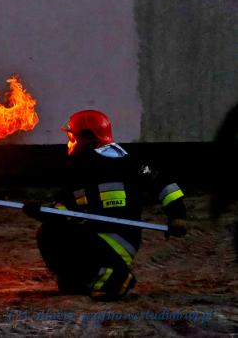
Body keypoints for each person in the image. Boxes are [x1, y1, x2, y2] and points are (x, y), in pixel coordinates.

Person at [23, 110, 187, 300]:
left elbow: (164, 185)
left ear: (87, 137)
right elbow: (67, 207)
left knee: (51, 234)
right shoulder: (90, 166)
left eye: (73, 137)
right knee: (51, 231)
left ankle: (116, 278)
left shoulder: (121, 163)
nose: (70, 142)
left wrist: (177, 216)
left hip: (114, 240)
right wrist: (43, 212)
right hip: (104, 237)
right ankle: (81, 281)